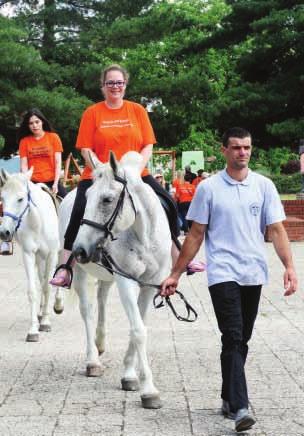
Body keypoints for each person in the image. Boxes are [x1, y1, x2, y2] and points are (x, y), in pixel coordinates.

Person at [160, 127, 298, 432]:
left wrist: (289, 266)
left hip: (253, 271)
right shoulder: (209, 188)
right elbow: (196, 235)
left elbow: (276, 230)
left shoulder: (263, 186)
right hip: (222, 271)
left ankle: (227, 396)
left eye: (247, 148)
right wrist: (175, 273)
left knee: (241, 339)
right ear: (224, 150)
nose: (242, 153)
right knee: (233, 335)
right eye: (236, 148)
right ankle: (240, 407)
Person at [50, 63, 191, 288]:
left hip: (135, 173)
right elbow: (85, 148)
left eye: (119, 82)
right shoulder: (92, 113)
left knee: (168, 203)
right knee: (78, 210)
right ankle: (66, 267)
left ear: (125, 85)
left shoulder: (137, 110)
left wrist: (135, 169)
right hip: (98, 174)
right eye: (110, 83)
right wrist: (99, 167)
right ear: (103, 86)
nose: (115, 86)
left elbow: (148, 145)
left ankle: (177, 255)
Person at [17, 108, 66, 198]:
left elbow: (58, 163)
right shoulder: (24, 142)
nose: (34, 125)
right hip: (33, 184)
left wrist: (55, 183)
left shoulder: (54, 137)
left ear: (42, 122)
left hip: (52, 182)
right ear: (28, 125)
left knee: (68, 204)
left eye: (37, 122)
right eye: (31, 123)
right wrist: (27, 183)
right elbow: (24, 166)